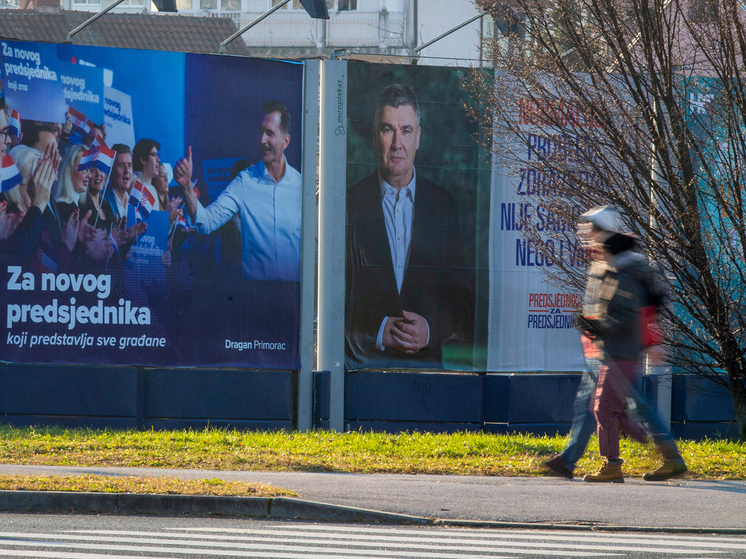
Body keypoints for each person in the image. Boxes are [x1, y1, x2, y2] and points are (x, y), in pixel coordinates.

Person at [545, 206, 687, 483]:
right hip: (605, 347)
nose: (587, 237)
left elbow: (635, 310)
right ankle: (571, 459)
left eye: (591, 231)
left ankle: (644, 460)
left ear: (605, 233)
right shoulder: (607, 263)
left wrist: (646, 340)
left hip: (619, 349)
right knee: (597, 406)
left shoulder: (623, 267)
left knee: (618, 407)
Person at [345, 84, 472, 370]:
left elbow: (461, 294)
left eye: (406, 130)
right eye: (388, 129)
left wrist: (429, 329)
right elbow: (331, 294)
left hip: (426, 375)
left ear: (418, 137)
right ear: (375, 136)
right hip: (364, 369)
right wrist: (378, 330)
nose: (396, 144)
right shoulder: (348, 203)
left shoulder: (443, 205)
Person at [175, 100, 301, 282]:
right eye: (260, 132)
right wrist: (187, 187)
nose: (262, 140)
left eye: (270, 133)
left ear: (286, 141)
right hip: (256, 297)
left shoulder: (301, 186)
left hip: (292, 300)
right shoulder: (244, 181)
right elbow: (206, 223)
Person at [132, 138, 161, 203]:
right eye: (154, 155)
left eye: (158, 155)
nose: (158, 160)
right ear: (143, 159)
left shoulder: (153, 190)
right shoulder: (133, 180)